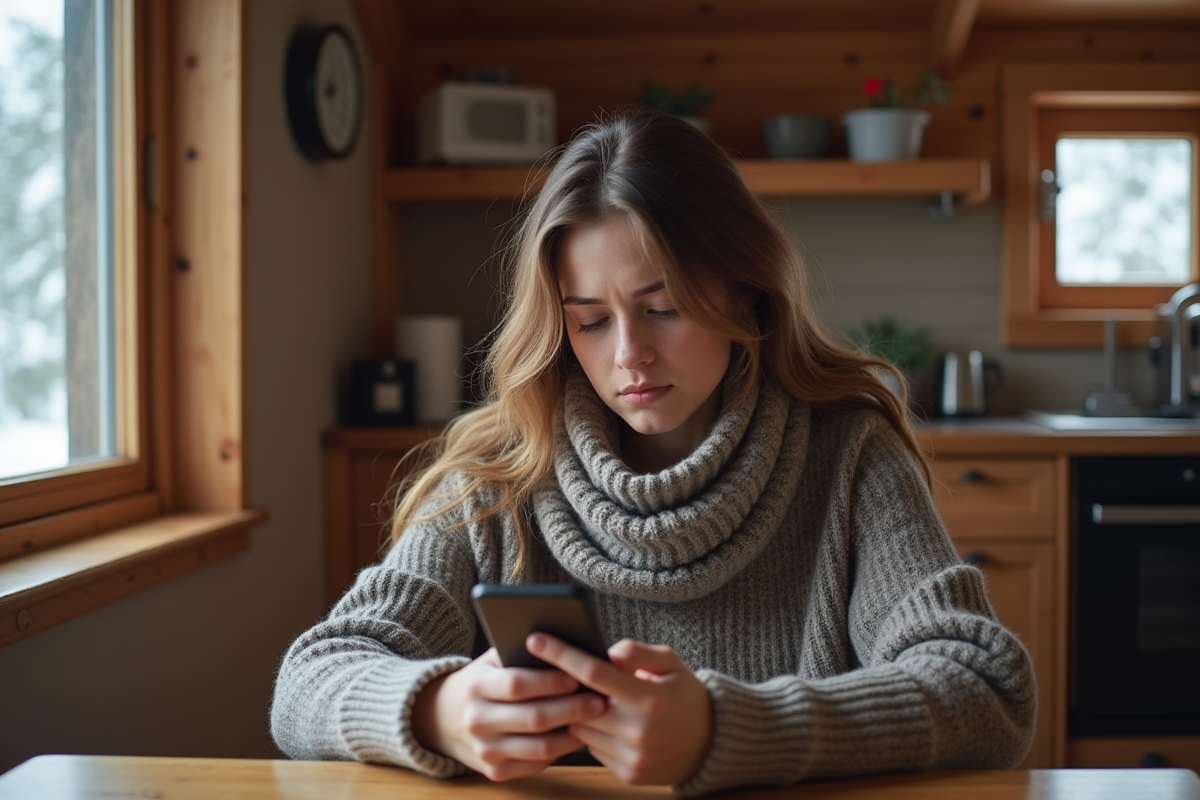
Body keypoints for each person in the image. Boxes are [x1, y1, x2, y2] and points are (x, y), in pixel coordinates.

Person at [270, 109, 1036, 796]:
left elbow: (985, 689)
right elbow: (309, 682)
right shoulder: (499, 473)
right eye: (592, 320)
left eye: (662, 308)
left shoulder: (850, 458)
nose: (629, 354)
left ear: (744, 292)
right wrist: (436, 711)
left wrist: (728, 730)